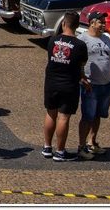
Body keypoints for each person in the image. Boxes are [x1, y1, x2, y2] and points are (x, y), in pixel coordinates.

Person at [42, 11, 88, 161]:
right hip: (69, 84)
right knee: (63, 117)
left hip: (51, 82)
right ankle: (60, 151)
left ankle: (47, 147)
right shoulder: (80, 45)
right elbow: (82, 64)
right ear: (77, 25)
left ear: (63, 23)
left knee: (50, 113)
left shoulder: (52, 40)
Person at [76, 11, 110, 160]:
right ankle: (81, 147)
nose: (104, 25)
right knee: (87, 116)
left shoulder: (107, 38)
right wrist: (82, 78)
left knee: (98, 115)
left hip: (106, 84)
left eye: (104, 22)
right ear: (92, 23)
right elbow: (77, 62)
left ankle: (92, 142)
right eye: (101, 22)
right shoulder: (82, 39)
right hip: (90, 85)